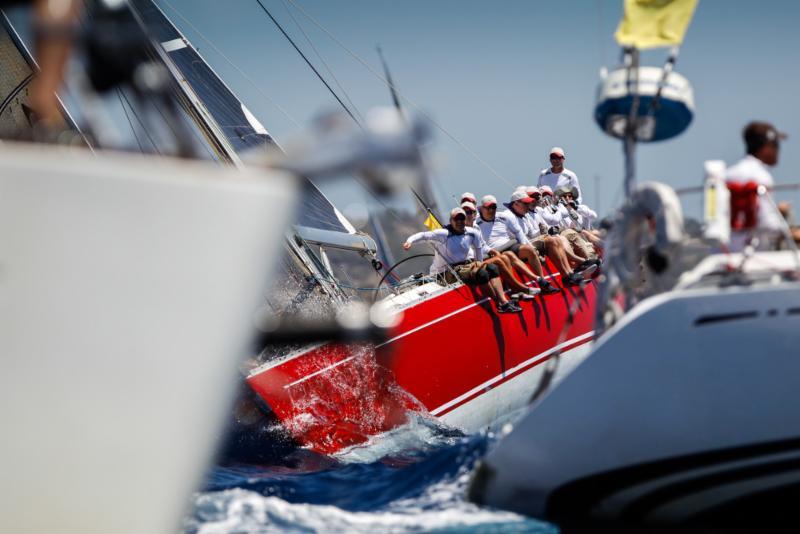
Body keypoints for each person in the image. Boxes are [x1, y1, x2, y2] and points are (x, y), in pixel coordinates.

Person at [403, 208, 522, 313]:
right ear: (451, 221)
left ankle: (504, 301)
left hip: (467, 265)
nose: (459, 222)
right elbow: (423, 235)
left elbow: (478, 250)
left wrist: (480, 263)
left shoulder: (472, 233)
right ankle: (498, 303)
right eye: (456, 219)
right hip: (447, 272)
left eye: (462, 219)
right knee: (482, 274)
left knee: (492, 268)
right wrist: (409, 241)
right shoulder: (443, 234)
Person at [477, 193, 561, 293]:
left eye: (494, 207)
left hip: (509, 245)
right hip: (493, 252)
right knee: (509, 255)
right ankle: (530, 283)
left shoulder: (503, 217)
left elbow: (519, 233)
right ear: (482, 208)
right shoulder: (476, 223)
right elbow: (478, 245)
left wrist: (531, 248)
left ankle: (542, 282)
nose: (491, 210)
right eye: (488, 208)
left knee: (528, 250)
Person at [726, 121, 788, 251]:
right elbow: (768, 224)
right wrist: (788, 231)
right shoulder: (762, 177)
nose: (779, 150)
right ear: (766, 146)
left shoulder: (728, 174)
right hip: (753, 250)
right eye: (776, 145)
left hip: (727, 249)